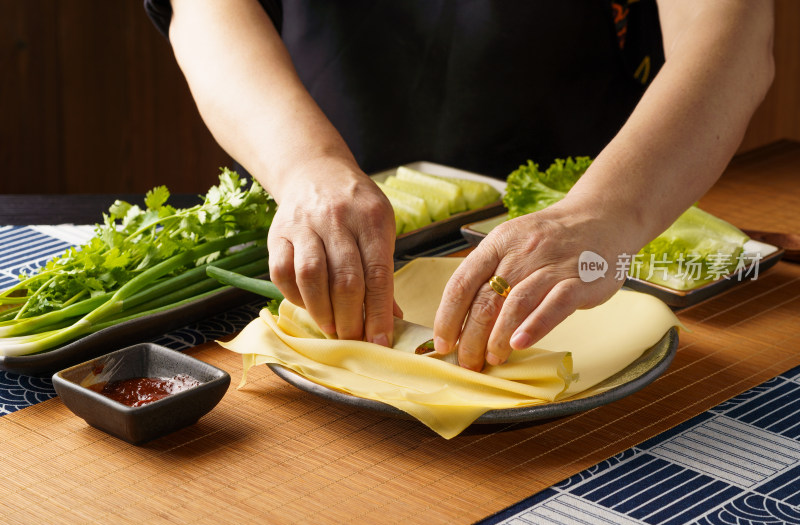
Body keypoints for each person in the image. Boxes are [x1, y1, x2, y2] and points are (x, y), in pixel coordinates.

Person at [145, 0, 774, 371]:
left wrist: (604, 214)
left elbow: (733, 39)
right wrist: (304, 165)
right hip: (319, 191)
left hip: (604, 225)